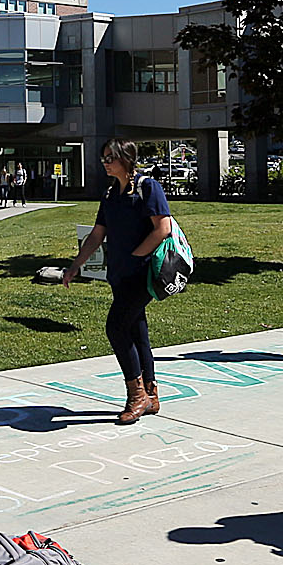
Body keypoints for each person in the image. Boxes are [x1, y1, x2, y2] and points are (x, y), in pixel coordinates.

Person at [63, 139, 176, 424]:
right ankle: (150, 395)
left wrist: (135, 255)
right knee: (137, 331)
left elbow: (163, 228)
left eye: (109, 158)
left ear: (126, 157)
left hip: (143, 274)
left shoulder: (148, 188)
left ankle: (135, 396)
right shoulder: (111, 194)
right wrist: (76, 264)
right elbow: (97, 234)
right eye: (103, 158)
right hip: (119, 274)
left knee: (115, 327)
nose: (105, 163)